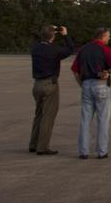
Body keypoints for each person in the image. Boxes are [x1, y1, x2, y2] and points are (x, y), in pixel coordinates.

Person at [71, 26, 111, 159]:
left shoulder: (83, 49)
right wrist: (108, 72)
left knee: (85, 120)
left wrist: (82, 85)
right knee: (103, 119)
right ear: (103, 36)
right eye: (108, 36)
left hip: (86, 85)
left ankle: (83, 151)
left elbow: (75, 70)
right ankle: (102, 151)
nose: (109, 38)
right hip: (100, 85)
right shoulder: (104, 49)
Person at [29, 25, 74, 155]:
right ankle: (42, 147)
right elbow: (70, 49)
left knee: (39, 114)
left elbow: (42, 41)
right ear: (53, 36)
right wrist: (65, 35)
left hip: (37, 84)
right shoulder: (54, 50)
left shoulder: (35, 48)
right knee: (48, 116)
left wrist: (48, 31)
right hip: (50, 84)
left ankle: (34, 143)